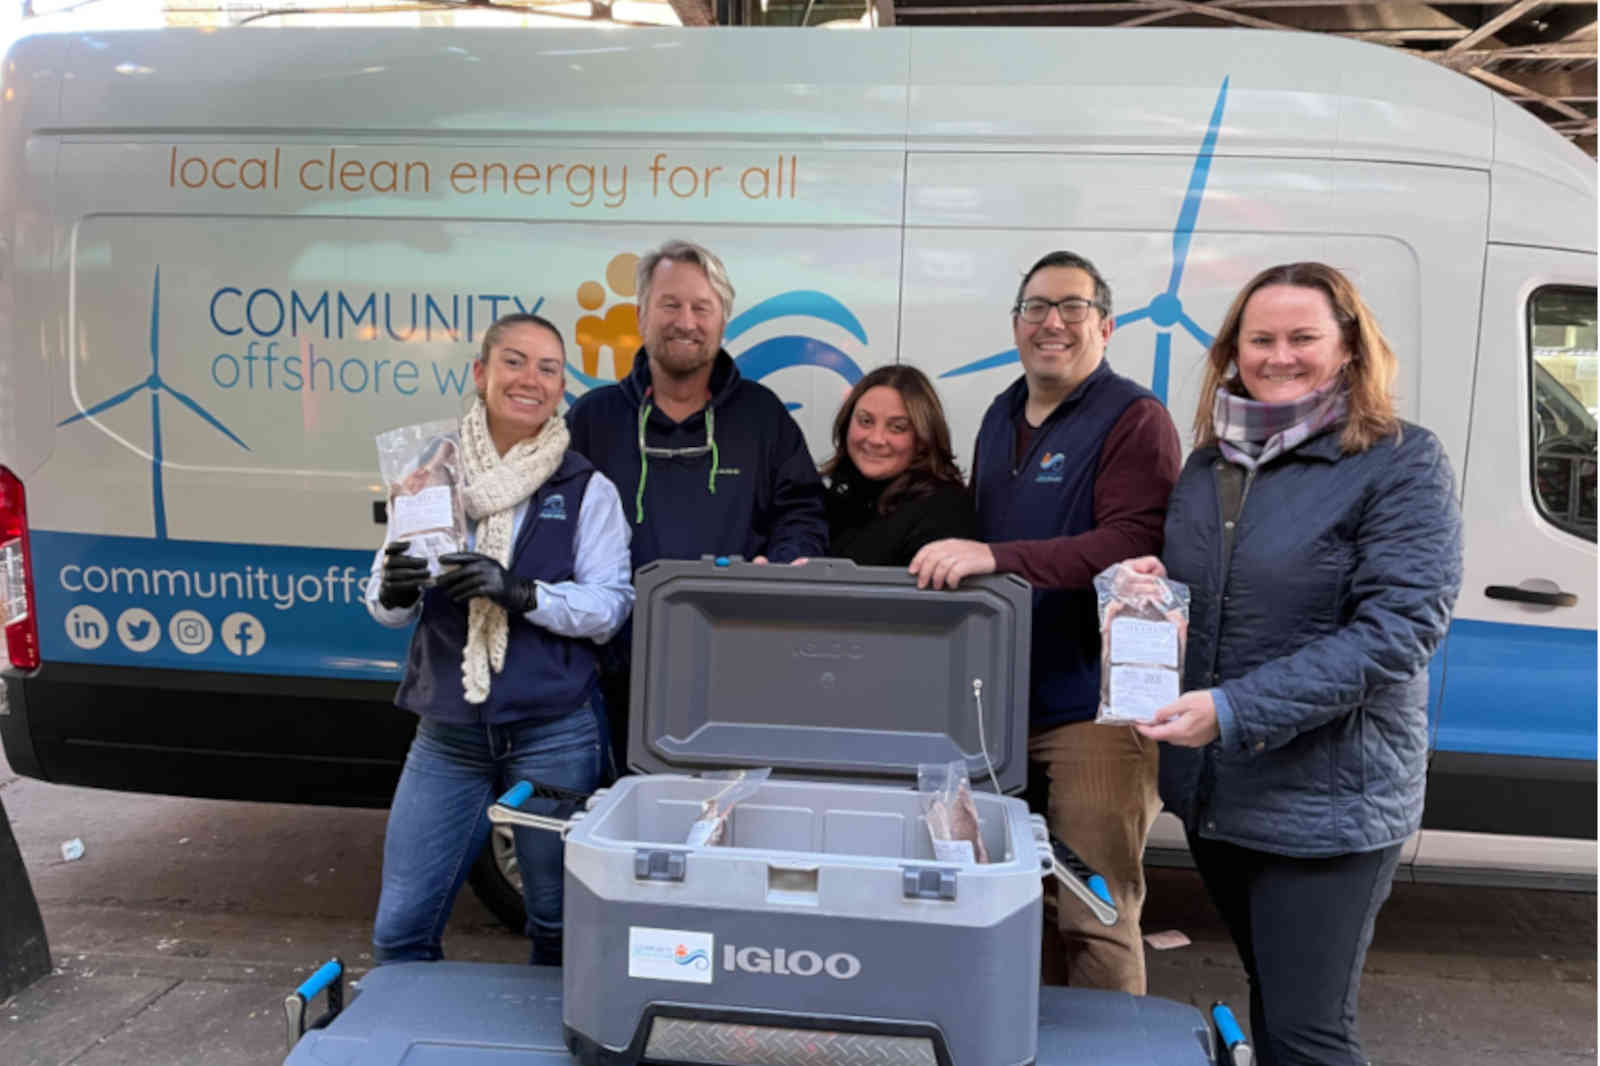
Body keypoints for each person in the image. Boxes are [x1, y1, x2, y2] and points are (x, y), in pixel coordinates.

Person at [1129, 262, 1462, 1064]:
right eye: (1260, 339)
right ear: (1232, 353)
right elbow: (1217, 599)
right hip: (1220, 792)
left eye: (1303, 337)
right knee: (1274, 1006)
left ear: (1348, 346)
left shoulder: (1399, 461)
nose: (1280, 355)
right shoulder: (1210, 465)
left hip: (1329, 803)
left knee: (1310, 1033)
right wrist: (1153, 591)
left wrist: (1235, 710)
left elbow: (1398, 629)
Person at [908, 250, 1181, 995]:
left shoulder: (1134, 418)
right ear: (1016, 322)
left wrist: (994, 556)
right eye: (1035, 307)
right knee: (1010, 907)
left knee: (1093, 913)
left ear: (1107, 324)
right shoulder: (1001, 414)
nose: (1051, 323)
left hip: (1092, 714)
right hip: (995, 707)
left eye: (1072, 307)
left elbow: (1131, 543)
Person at [367, 312, 633, 968]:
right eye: (514, 362)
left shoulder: (585, 488)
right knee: (401, 925)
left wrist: (522, 594)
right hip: (448, 732)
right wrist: (395, 589)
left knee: (560, 922)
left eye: (548, 368)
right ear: (482, 374)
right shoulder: (430, 474)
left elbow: (610, 606)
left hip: (553, 728)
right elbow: (384, 600)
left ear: (561, 387)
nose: (531, 380)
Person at [567, 239, 828, 764]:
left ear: (721, 321)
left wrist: (777, 569)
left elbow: (802, 512)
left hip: (737, 670)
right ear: (640, 315)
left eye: (701, 307)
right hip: (617, 672)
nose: (686, 321)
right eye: (671, 304)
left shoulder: (763, 417)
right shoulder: (594, 420)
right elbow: (552, 525)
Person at [822, 365, 978, 566]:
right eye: (866, 421)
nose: (876, 439)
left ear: (923, 438)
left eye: (897, 428)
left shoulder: (945, 512)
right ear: (846, 425)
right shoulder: (829, 499)